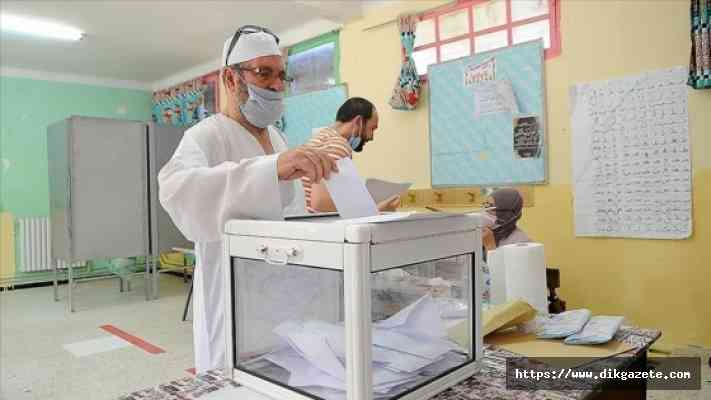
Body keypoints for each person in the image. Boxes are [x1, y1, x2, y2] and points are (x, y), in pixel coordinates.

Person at [158, 25, 337, 373]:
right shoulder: (206, 136)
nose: (275, 85)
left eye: (281, 75)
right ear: (230, 78)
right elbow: (177, 189)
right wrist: (267, 171)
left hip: (288, 301)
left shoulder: (279, 138)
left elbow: (291, 213)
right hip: (234, 301)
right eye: (263, 73)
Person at [302, 97, 400, 213]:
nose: (371, 137)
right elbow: (320, 203)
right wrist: (375, 209)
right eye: (372, 129)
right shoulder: (338, 144)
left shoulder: (318, 139)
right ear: (358, 121)